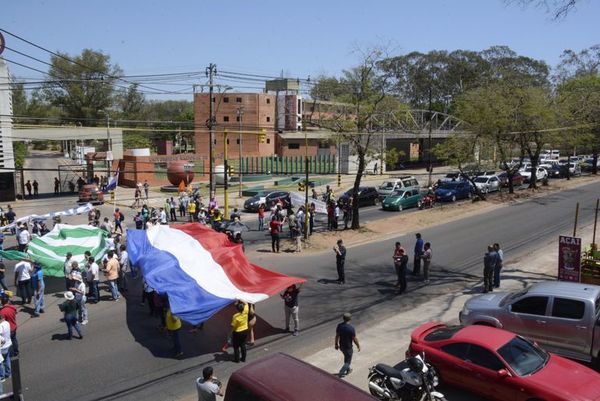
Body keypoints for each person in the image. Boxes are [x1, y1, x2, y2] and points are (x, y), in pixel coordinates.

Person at [335, 313, 360, 378]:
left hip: (341, 347)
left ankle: (348, 370)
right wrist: (358, 345)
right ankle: (340, 373)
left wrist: (336, 344)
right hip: (348, 347)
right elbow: (354, 339)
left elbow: (337, 336)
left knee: (346, 357)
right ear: (350, 319)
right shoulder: (351, 328)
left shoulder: (339, 326)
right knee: (348, 362)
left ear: (343, 318)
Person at [0, 313, 11, 381]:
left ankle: (2, 376)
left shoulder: (1, 326)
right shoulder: (7, 323)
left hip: (3, 346)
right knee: (7, 360)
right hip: (8, 344)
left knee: (1, 362)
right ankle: (8, 373)